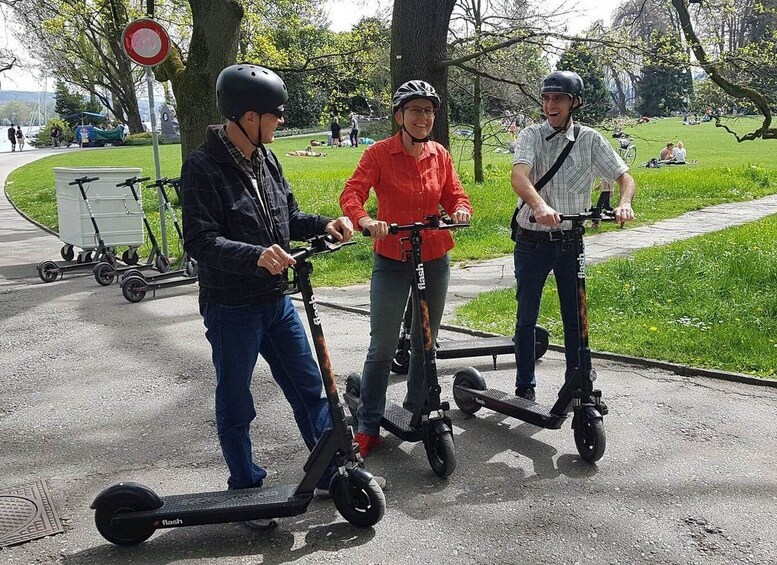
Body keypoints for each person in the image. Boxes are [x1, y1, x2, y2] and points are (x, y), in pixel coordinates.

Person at [181, 63, 368, 529]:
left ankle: (328, 470)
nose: (281, 121)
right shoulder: (202, 167)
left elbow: (288, 215)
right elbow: (200, 241)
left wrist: (326, 223)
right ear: (249, 117)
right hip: (231, 308)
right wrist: (254, 256)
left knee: (311, 388)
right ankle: (245, 487)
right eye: (275, 114)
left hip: (276, 302)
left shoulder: (266, 158)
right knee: (236, 400)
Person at [340, 80, 473, 457]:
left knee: (425, 340)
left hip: (433, 254)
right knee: (382, 345)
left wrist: (461, 209)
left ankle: (418, 409)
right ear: (399, 116)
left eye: (429, 110)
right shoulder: (379, 154)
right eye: (415, 110)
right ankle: (368, 423)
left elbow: (455, 194)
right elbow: (352, 193)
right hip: (392, 256)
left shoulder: (439, 154)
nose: (423, 117)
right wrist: (365, 220)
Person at [510, 70, 636, 402]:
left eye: (559, 99)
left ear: (573, 103)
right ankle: (525, 386)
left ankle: (576, 385)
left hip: (570, 242)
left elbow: (625, 177)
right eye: (546, 98)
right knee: (527, 315)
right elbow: (520, 176)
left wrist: (623, 204)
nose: (551, 105)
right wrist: (538, 205)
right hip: (532, 240)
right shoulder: (531, 136)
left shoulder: (590, 139)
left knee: (576, 316)